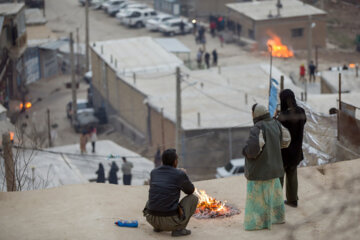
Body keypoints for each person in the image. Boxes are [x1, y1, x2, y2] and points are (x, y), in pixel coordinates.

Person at [242, 104, 291, 230]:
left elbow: (253, 150)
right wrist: (274, 147)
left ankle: (258, 223)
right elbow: (286, 139)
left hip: (259, 171)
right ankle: (276, 218)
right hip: (275, 170)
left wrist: (245, 151)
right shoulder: (276, 124)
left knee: (258, 200)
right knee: (272, 197)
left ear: (255, 114)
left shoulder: (258, 128)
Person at [143, 149, 198, 237]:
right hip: (170, 222)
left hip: (151, 219)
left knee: (156, 196)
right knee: (193, 198)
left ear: (162, 161)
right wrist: (184, 174)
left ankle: (158, 227)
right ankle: (179, 229)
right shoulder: (180, 174)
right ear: (175, 161)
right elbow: (190, 190)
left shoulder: (154, 172)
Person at [277, 89, 306, 208]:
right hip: (296, 151)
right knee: (292, 175)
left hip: (283, 152)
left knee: (279, 178)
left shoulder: (283, 116)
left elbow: (276, 129)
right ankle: (293, 200)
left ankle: (277, 203)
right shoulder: (301, 112)